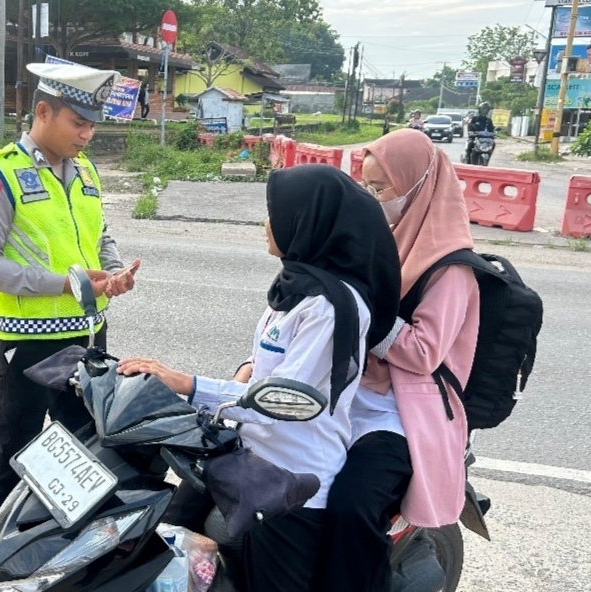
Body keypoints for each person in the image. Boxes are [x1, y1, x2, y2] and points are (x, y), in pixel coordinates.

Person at [117, 165, 402, 591]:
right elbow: (266, 366)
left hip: (290, 485)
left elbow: (280, 403)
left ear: (308, 223)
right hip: (247, 458)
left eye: (277, 213)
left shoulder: (331, 308)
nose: (267, 224)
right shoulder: (297, 286)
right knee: (165, 550)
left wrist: (189, 385)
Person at [0, 61, 141, 540]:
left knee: (85, 445)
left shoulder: (85, 171)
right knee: (15, 444)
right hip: (30, 341)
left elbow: (98, 235)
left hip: (88, 335)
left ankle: (62, 542)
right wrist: (65, 283)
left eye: (92, 125)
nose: (87, 135)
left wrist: (116, 273)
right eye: (78, 123)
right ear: (43, 112)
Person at [320, 128, 479, 592]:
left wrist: (366, 312)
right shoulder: (381, 240)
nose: (372, 198)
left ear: (417, 185)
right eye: (366, 187)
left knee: (350, 505)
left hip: (405, 413)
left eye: (380, 188)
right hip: (354, 392)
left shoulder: (451, 267)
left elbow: (425, 351)